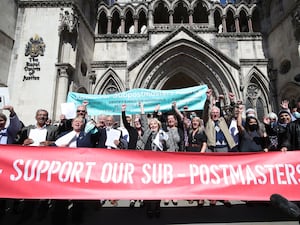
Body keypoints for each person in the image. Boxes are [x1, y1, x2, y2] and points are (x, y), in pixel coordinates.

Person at [51, 116, 96, 225]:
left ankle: (77, 219)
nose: (78, 123)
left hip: (79, 170)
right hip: (64, 170)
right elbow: (53, 147)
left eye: (80, 122)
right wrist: (58, 149)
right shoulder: (63, 135)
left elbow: (88, 145)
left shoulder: (86, 135)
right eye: (76, 121)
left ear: (83, 125)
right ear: (72, 124)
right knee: (61, 197)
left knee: (78, 198)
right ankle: (59, 219)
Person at [17, 109, 59, 223]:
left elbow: (59, 143)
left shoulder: (53, 129)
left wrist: (49, 143)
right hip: (30, 164)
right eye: (40, 115)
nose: (42, 117)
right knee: (29, 190)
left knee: (43, 190)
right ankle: (26, 214)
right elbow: (17, 144)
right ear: (36, 117)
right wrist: (24, 143)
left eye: (44, 116)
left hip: (45, 164)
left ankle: (42, 214)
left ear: (47, 118)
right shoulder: (27, 129)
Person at [142, 117, 170, 217]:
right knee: (149, 187)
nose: (153, 126)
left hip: (159, 164)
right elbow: (144, 140)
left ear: (158, 125)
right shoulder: (148, 134)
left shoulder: (163, 134)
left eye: (155, 124)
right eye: (151, 124)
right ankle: (149, 207)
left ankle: (157, 206)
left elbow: (168, 146)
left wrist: (164, 139)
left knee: (158, 187)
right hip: (148, 164)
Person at [0, 105, 22, 219]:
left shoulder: (9, 132)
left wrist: (12, 112)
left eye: (1, 120)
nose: (0, 122)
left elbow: (16, 126)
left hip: (5, 166)